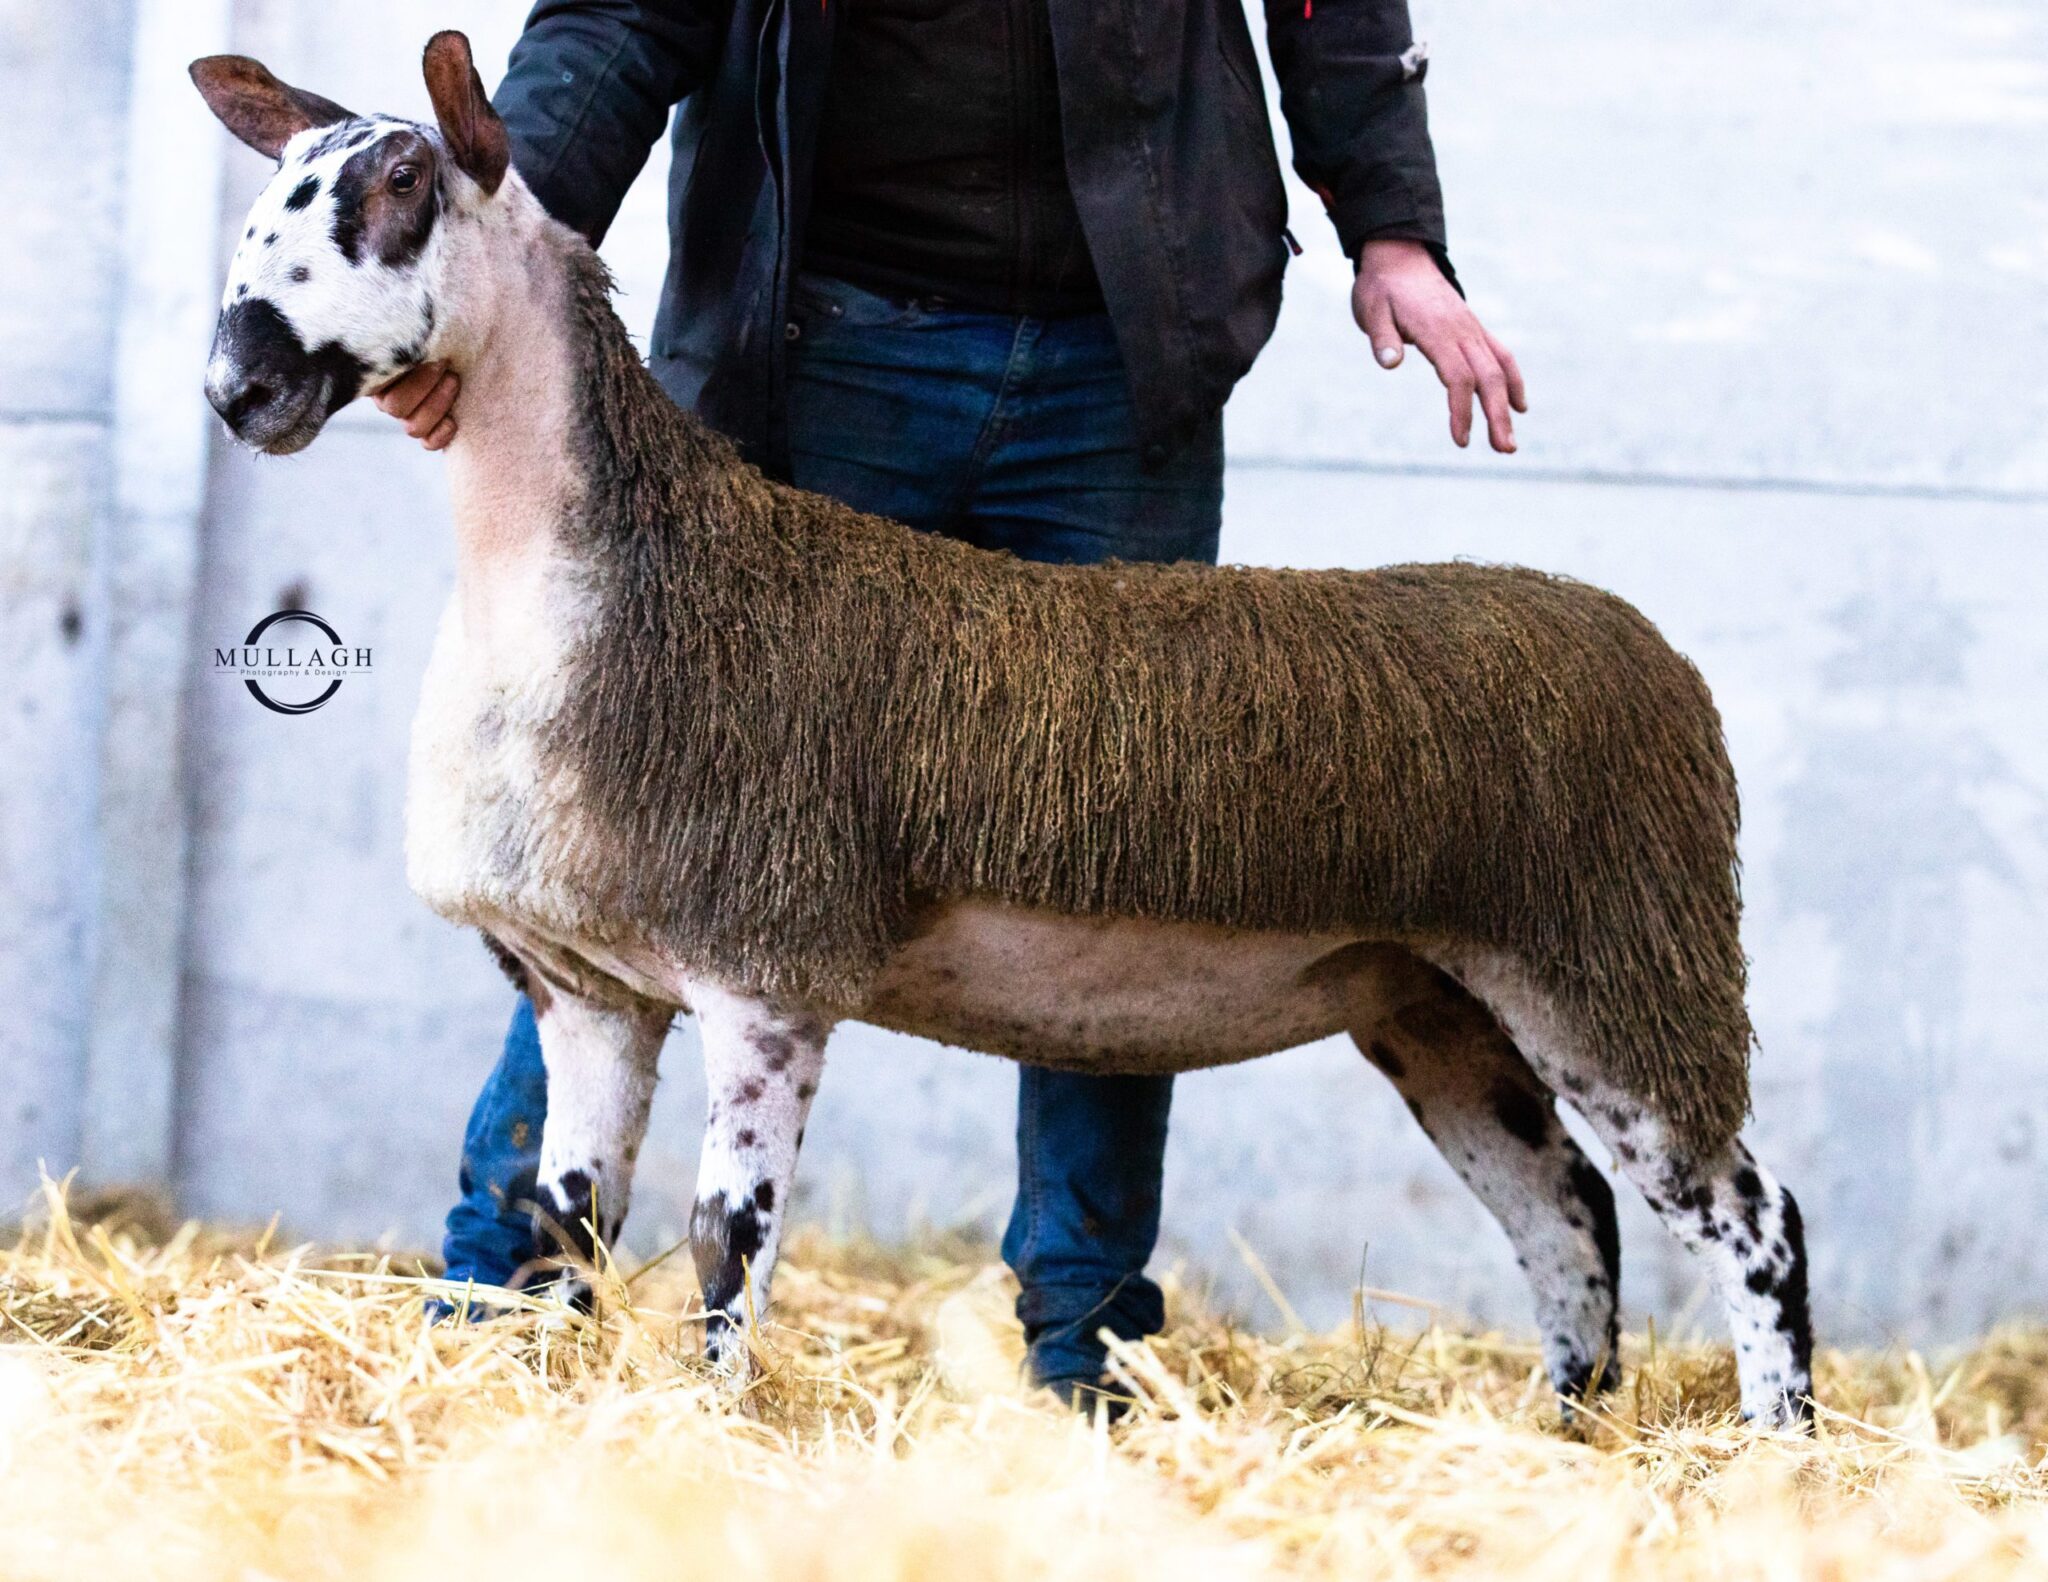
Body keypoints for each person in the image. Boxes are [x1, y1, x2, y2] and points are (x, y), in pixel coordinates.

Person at [379, 0, 1524, 1405]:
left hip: (1120, 356)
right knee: (657, 834)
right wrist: (487, 251)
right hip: (817, 342)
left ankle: (1084, 1354)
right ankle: (505, 1298)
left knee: (1124, 851)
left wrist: (1393, 224)